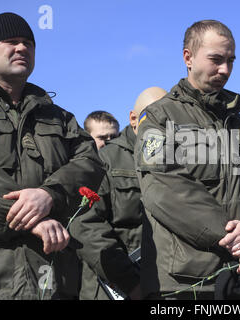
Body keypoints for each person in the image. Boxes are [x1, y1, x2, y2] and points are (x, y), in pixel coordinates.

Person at [134, 20, 240, 299]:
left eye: (230, 61)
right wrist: (236, 240)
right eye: (216, 59)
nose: (225, 70)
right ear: (187, 57)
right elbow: (165, 189)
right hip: (184, 281)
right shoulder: (159, 118)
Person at [0, 12, 105, 299]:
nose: (21, 48)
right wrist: (29, 217)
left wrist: (50, 194)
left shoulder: (58, 116)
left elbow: (91, 162)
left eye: (27, 43)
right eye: (10, 42)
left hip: (55, 277)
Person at [70, 86, 167, 300]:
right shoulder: (104, 161)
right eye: (153, 115)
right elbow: (85, 225)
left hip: (163, 284)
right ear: (133, 119)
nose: (161, 124)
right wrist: (130, 282)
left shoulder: (175, 160)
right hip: (113, 287)